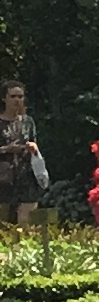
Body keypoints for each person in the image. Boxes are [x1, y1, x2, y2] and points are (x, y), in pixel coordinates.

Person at [0, 85, 47, 234]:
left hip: (26, 176)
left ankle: (25, 246)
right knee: (4, 225)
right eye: (13, 96)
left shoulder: (28, 122)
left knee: (26, 225)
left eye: (20, 96)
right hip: (4, 178)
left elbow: (34, 142)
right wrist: (6, 149)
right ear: (4, 98)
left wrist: (33, 148)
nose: (17, 100)